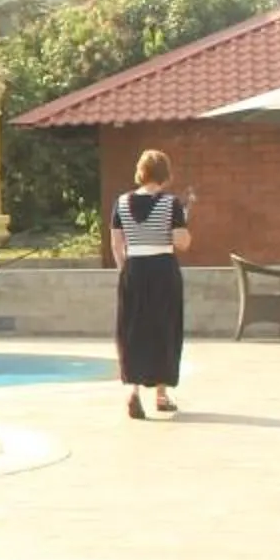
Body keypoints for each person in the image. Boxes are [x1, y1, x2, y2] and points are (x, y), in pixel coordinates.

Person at [109, 150, 192, 418]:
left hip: (134, 268)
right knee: (164, 328)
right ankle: (161, 393)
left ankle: (133, 391)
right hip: (162, 269)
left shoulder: (121, 203)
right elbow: (182, 242)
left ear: (140, 171)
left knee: (132, 329)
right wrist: (181, 224)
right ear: (165, 174)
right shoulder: (172, 204)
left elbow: (116, 242)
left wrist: (125, 269)